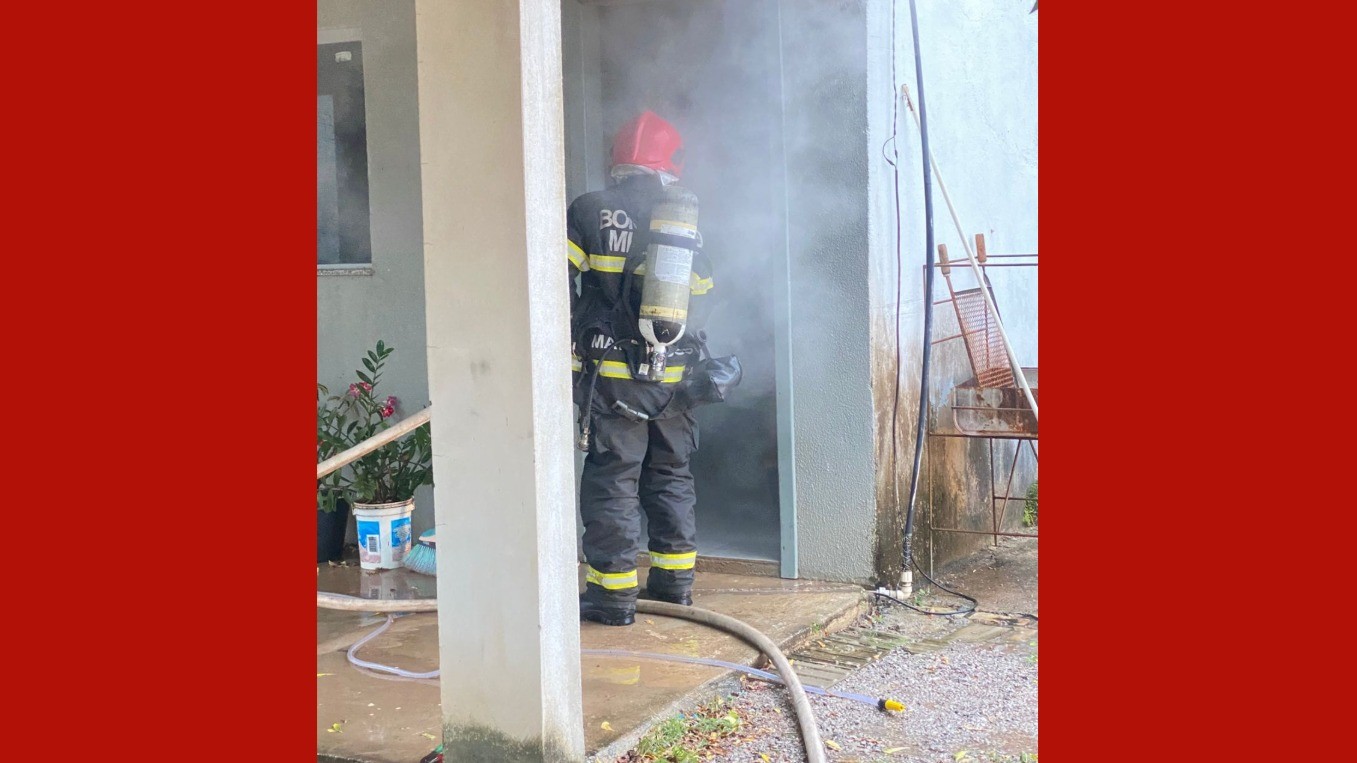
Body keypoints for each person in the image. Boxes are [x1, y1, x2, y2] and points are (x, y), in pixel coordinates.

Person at [567, 111, 717, 627]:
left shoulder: (589, 210)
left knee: (613, 479)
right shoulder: (683, 217)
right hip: (676, 380)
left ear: (617, 161)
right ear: (669, 163)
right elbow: (705, 297)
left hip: (612, 377)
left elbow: (555, 284)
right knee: (671, 474)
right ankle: (674, 586)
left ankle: (612, 597)